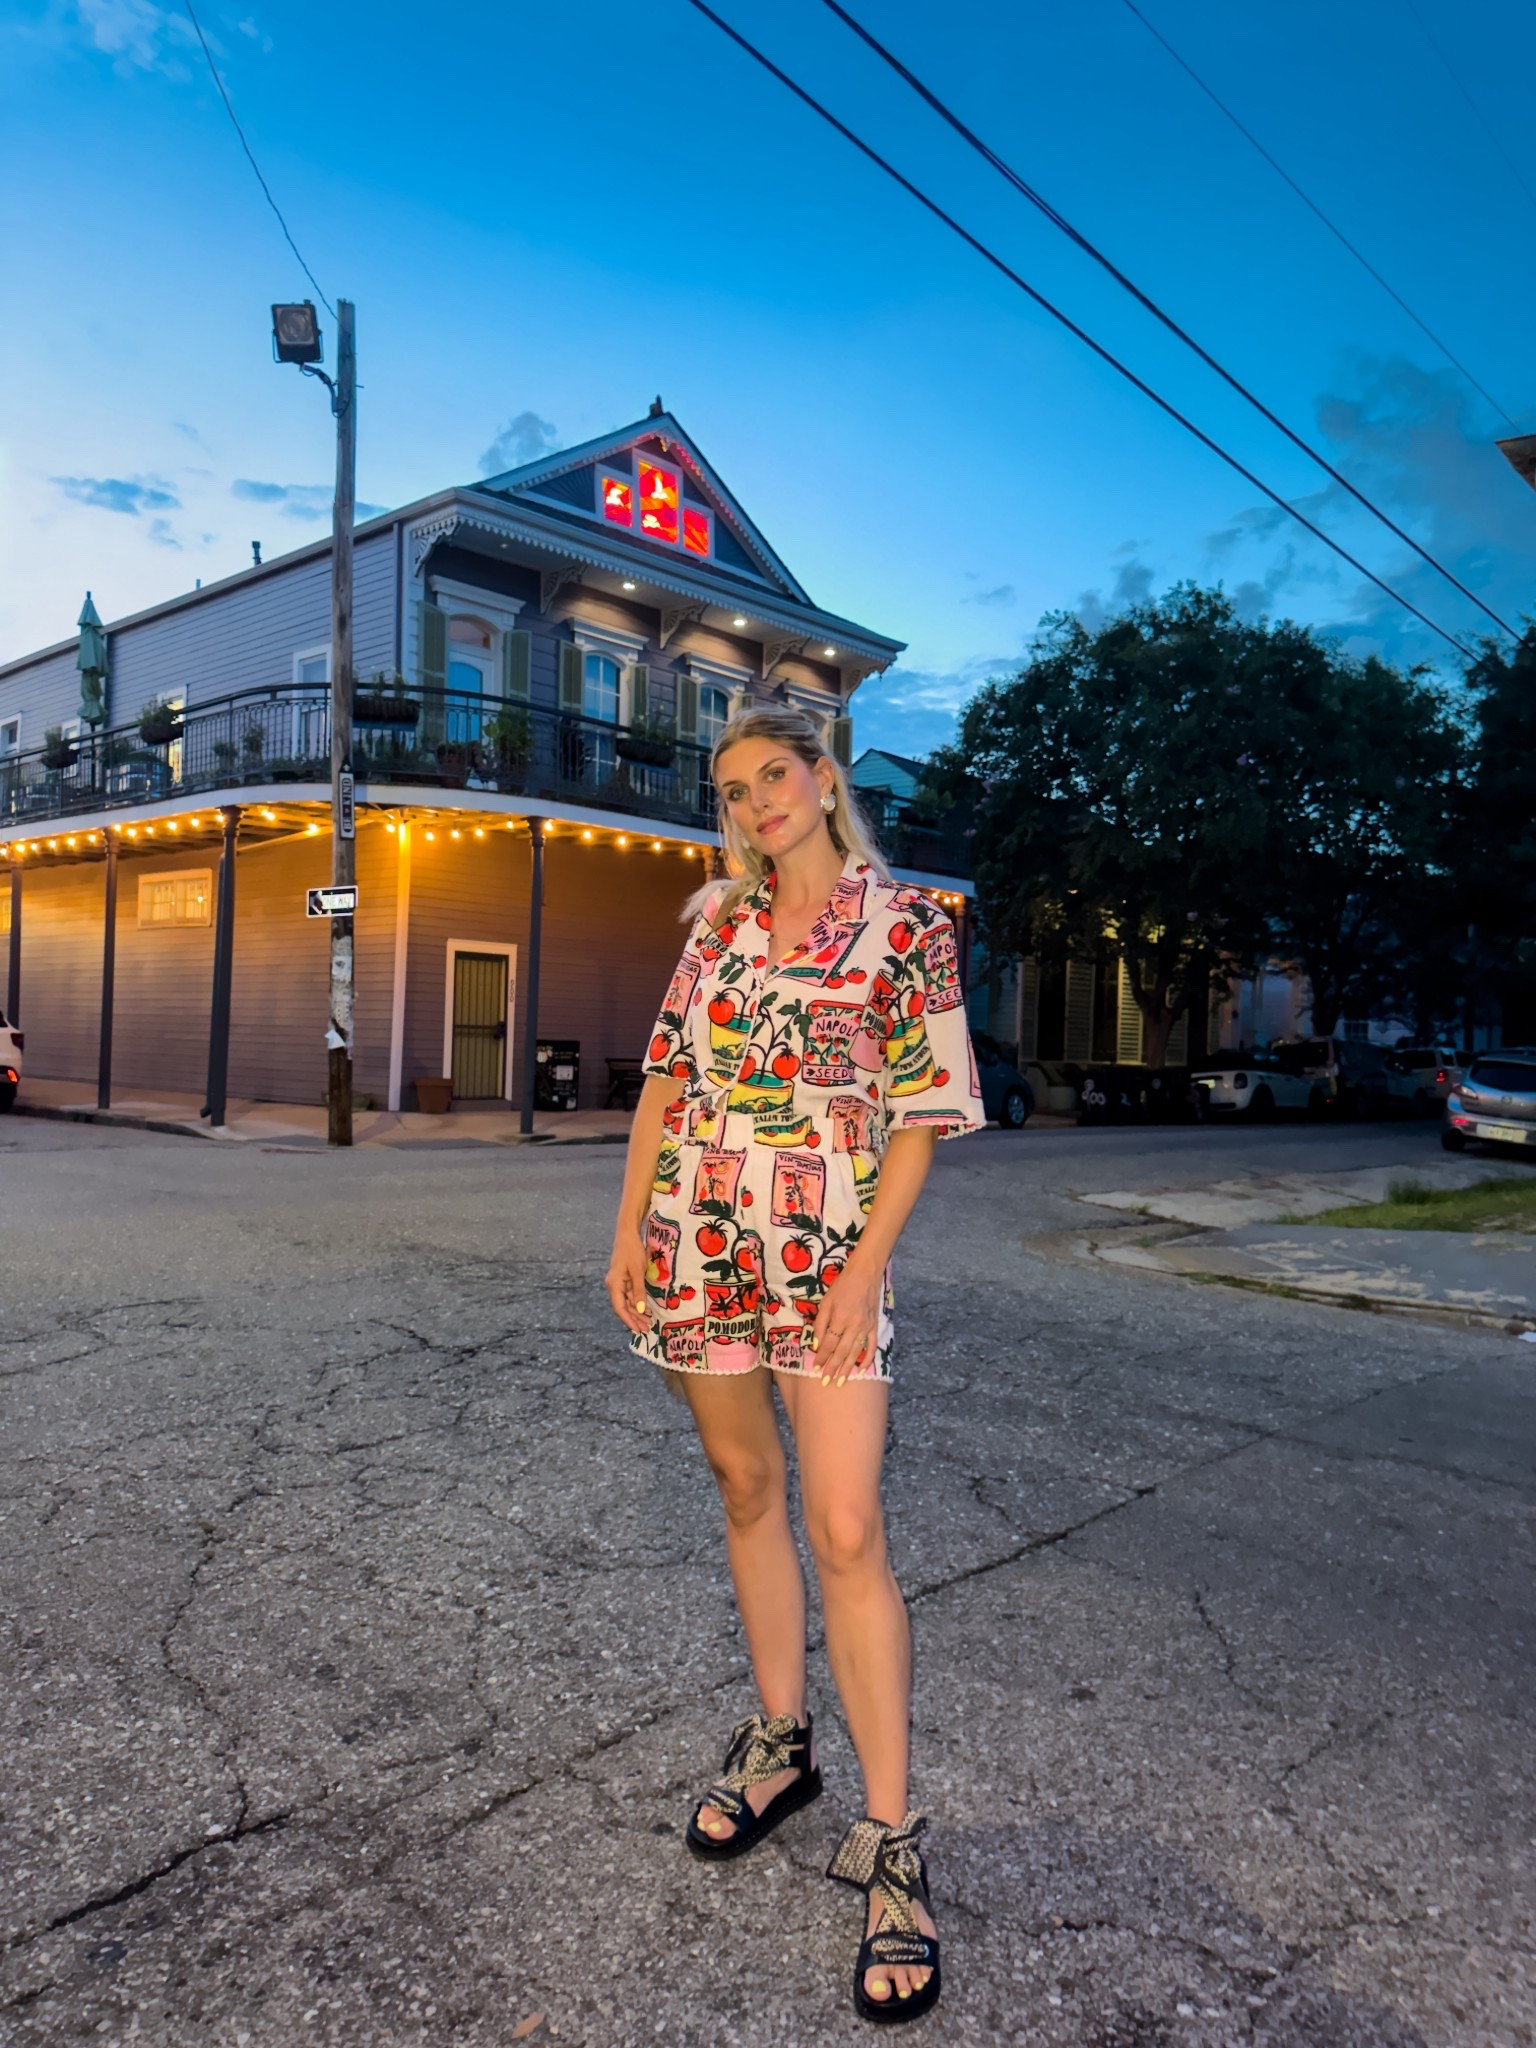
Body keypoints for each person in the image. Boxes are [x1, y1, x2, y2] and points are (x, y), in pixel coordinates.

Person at [606, 705, 983, 2024]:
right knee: (743, 1486)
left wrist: (863, 1274)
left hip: (827, 1264)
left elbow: (925, 1122)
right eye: (734, 787)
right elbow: (665, 1081)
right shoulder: (715, 927)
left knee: (845, 1522)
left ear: (826, 783)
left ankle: (891, 1841)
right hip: (696, 1249)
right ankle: (782, 1745)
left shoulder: (907, 930)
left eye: (777, 775)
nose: (758, 800)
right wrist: (627, 1232)